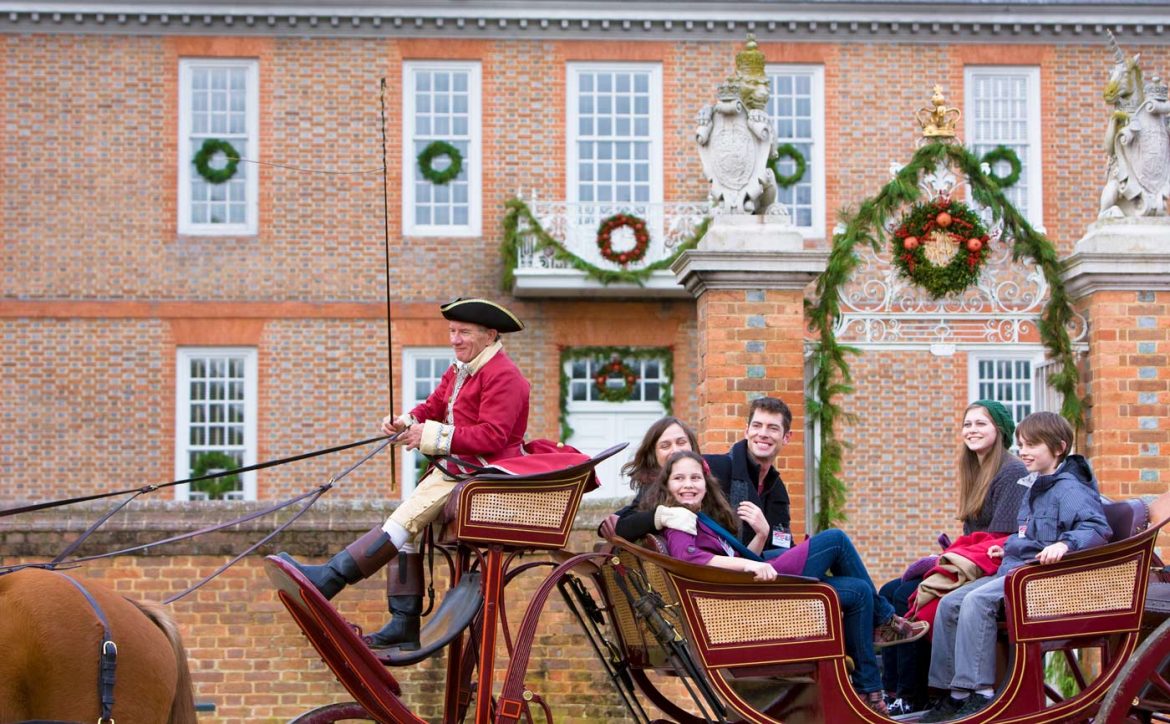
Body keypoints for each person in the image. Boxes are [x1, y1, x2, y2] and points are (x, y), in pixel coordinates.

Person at [280, 297, 536, 651]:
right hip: (457, 469)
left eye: (463, 332)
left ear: (490, 334)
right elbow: (433, 406)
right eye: (451, 331)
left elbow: (492, 436)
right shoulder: (462, 368)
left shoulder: (504, 376)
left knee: (404, 521)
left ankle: (331, 579)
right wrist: (406, 421)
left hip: (483, 474)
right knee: (405, 530)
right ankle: (404, 621)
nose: (455, 339)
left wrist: (427, 436)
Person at [645, 450, 928, 716]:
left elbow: (730, 559)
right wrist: (752, 564)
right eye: (679, 478)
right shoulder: (678, 520)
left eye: (695, 478)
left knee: (858, 591)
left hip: (748, 587)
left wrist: (760, 535)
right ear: (667, 485)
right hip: (749, 597)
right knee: (836, 540)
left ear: (706, 483)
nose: (688, 485)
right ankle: (885, 619)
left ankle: (870, 691)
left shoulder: (699, 518)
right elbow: (690, 559)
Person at [920, 412, 1112, 722]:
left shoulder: (1069, 489)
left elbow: (1096, 527)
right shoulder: (1035, 485)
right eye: (1021, 444)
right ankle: (950, 694)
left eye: (1032, 445)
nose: (1023, 451)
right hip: (1016, 567)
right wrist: (1007, 546)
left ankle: (978, 693)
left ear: (1059, 448)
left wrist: (1064, 545)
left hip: (1043, 579)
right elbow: (1031, 534)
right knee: (950, 602)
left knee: (976, 600)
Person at [879, 400, 1028, 716]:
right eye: (967, 424)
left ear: (999, 430)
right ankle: (894, 690)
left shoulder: (1012, 471)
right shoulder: (976, 470)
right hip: (972, 560)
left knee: (910, 595)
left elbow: (997, 540)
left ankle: (916, 693)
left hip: (995, 564)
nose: (972, 430)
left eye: (981, 424)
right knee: (889, 591)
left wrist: (947, 558)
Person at [597, 416, 701, 541]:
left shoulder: (715, 470)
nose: (675, 450)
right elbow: (623, 522)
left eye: (681, 442)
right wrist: (660, 516)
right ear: (654, 455)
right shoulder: (653, 487)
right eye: (665, 446)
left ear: (692, 445)